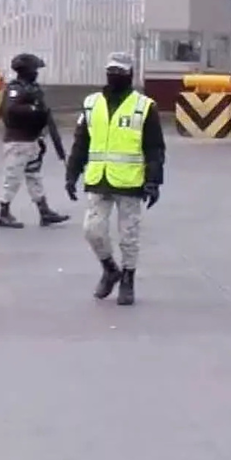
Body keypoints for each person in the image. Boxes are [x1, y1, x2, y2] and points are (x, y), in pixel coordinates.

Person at [64, 53, 166, 306]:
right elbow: (81, 142)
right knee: (92, 230)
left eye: (120, 72)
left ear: (130, 75)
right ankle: (110, 269)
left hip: (131, 182)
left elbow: (155, 148)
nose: (115, 75)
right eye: (111, 71)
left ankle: (128, 279)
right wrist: (72, 173)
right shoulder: (91, 104)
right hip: (99, 179)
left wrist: (153, 181)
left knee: (128, 236)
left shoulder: (144, 106)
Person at [0, 52, 71, 229]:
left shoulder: (33, 88)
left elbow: (44, 114)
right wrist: (34, 109)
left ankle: (44, 211)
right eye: (35, 69)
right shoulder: (16, 89)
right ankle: (4, 213)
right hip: (17, 142)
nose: (36, 72)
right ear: (26, 70)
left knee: (34, 176)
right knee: (12, 178)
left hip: (32, 141)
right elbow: (11, 111)